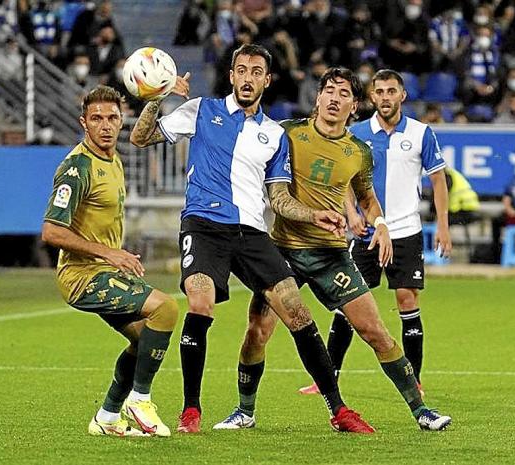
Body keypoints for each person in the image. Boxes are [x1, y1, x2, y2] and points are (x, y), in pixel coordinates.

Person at [130, 44, 374, 434]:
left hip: (251, 233)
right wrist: (155, 98)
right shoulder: (202, 110)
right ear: (231, 75)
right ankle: (191, 410)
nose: (247, 78)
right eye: (241, 70)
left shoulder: (274, 135)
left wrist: (314, 214)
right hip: (203, 225)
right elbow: (141, 139)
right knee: (201, 301)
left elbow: (278, 198)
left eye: (256, 71)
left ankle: (339, 410)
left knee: (297, 312)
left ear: (266, 80)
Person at [213, 67, 451, 432]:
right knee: (257, 331)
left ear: (354, 106)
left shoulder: (357, 151)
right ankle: (245, 410)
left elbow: (368, 199)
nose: (335, 98)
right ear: (318, 96)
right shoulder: (286, 134)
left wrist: (382, 225)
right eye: (329, 90)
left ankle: (421, 411)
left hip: (331, 255)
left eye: (344, 94)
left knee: (375, 331)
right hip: (283, 251)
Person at [41, 85, 186, 438]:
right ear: (83, 123)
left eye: (112, 118)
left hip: (104, 270)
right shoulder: (77, 168)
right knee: (165, 310)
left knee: (144, 341)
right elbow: (51, 231)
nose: (105, 125)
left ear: (121, 120)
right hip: (82, 275)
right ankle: (140, 399)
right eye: (96, 119)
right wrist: (108, 253)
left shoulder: (113, 158)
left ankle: (106, 417)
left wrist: (158, 96)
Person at [299, 69, 452, 398]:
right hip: (366, 232)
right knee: (346, 304)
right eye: (379, 91)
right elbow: (343, 180)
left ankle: (414, 379)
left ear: (402, 96)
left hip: (406, 230)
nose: (385, 97)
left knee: (407, 301)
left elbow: (438, 181)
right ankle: (328, 376)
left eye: (391, 91)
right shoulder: (355, 134)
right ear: (371, 98)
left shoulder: (422, 133)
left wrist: (442, 226)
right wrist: (351, 213)